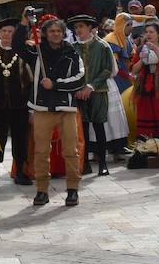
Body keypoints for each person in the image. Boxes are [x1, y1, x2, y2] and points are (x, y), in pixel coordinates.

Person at [30, 16, 87, 207]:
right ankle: (41, 191)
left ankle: (72, 190)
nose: (55, 34)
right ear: (45, 34)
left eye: (58, 31)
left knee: (71, 150)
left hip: (66, 108)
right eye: (51, 31)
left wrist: (54, 85)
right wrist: (24, 23)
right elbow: (17, 47)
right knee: (40, 151)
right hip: (42, 108)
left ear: (63, 34)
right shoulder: (35, 51)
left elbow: (80, 79)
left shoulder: (72, 53)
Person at [0, 17, 35, 186]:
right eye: (4, 31)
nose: (6, 34)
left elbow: (30, 80)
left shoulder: (22, 53)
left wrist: (31, 106)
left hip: (20, 105)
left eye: (10, 31)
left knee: (20, 139)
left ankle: (20, 171)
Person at [68, 14, 113, 176]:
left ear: (89, 28)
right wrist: (78, 89)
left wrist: (91, 86)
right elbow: (70, 71)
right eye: (76, 27)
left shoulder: (102, 46)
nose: (78, 30)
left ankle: (102, 163)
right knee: (83, 129)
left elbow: (107, 69)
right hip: (79, 94)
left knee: (99, 127)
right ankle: (84, 162)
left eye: (81, 26)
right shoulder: (71, 47)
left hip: (98, 92)